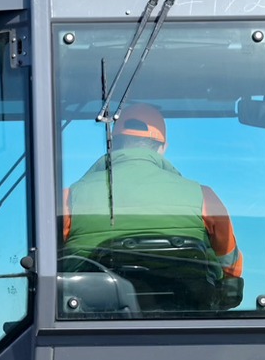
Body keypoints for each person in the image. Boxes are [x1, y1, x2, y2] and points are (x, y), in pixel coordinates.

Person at [62, 103, 243, 309]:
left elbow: (51, 262)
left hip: (91, 323)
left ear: (114, 144)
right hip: (189, 316)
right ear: (162, 148)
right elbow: (231, 269)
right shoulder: (204, 196)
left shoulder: (70, 197)